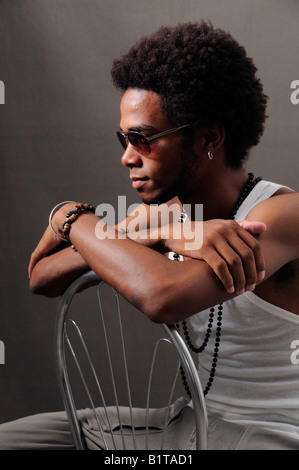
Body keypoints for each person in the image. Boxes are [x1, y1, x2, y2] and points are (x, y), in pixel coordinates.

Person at [1, 20, 299, 450]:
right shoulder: (161, 216)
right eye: (123, 138)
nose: (126, 157)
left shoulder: (281, 215)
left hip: (269, 434)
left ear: (208, 137)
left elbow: (161, 296)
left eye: (141, 139)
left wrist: (79, 221)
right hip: (185, 420)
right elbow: (42, 277)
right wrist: (106, 223)